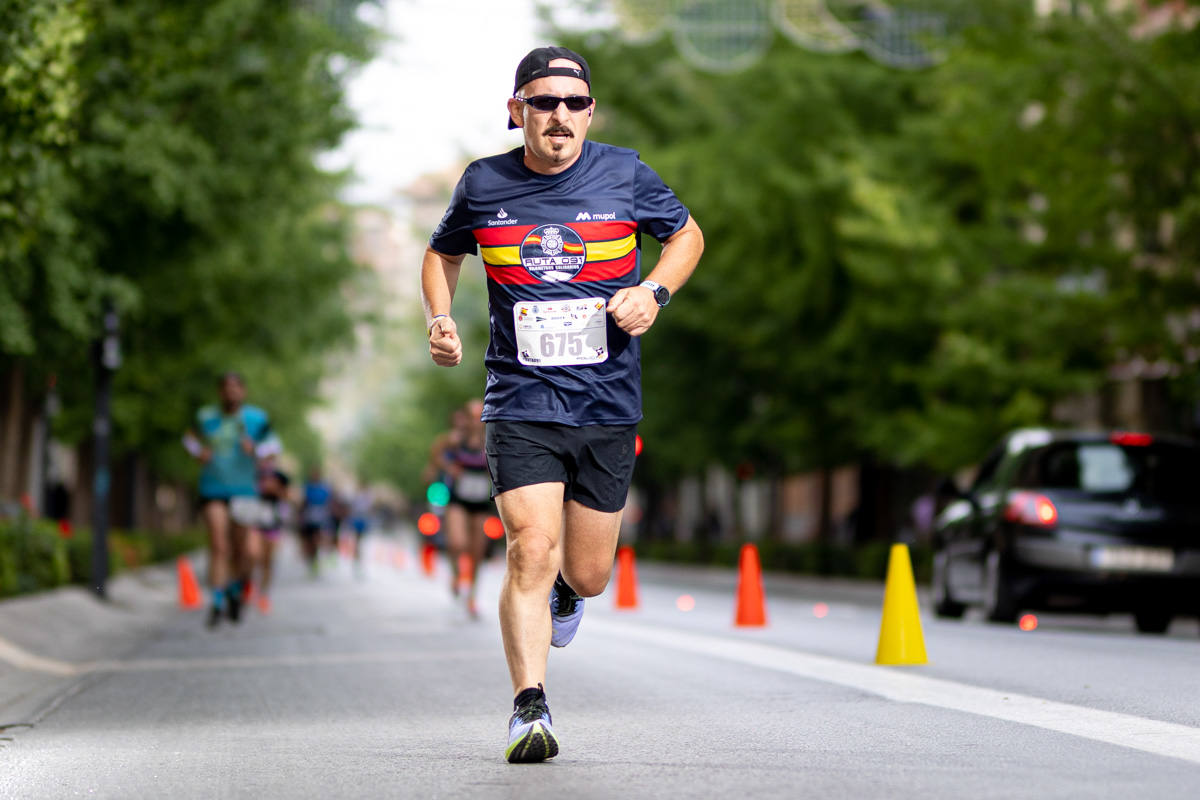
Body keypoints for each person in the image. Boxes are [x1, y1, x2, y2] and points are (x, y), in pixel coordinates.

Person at [420, 46, 703, 763]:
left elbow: (687, 235)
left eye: (574, 103)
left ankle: (569, 598)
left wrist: (654, 293)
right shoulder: (483, 183)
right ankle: (528, 708)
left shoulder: (626, 173)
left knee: (587, 572)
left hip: (607, 403)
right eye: (544, 102)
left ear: (590, 113)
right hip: (520, 401)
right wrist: (439, 316)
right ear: (517, 111)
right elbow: (442, 252)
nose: (559, 116)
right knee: (529, 550)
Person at [183, 372, 280, 628]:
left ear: (243, 392)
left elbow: (273, 449)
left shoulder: (256, 419)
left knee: (244, 552)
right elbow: (188, 439)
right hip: (213, 489)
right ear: (220, 392)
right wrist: (198, 452)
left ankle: (236, 590)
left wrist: (256, 451)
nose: (231, 392)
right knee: (218, 545)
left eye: (236, 388)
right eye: (226, 388)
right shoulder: (206, 417)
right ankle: (216, 602)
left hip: (245, 492)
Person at [442, 399, 493, 618]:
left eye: (479, 416)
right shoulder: (454, 440)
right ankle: (455, 574)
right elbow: (436, 455)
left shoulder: (491, 440)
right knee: (457, 542)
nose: (476, 421)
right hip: (458, 498)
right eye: (472, 416)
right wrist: (450, 468)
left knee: (477, 550)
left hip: (480, 499)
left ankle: (471, 595)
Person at [299, 467, 333, 576]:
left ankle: (316, 560)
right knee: (309, 542)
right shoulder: (307, 487)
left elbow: (328, 502)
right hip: (308, 518)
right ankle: (311, 561)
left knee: (316, 539)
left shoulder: (324, 488)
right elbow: (303, 502)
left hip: (320, 518)